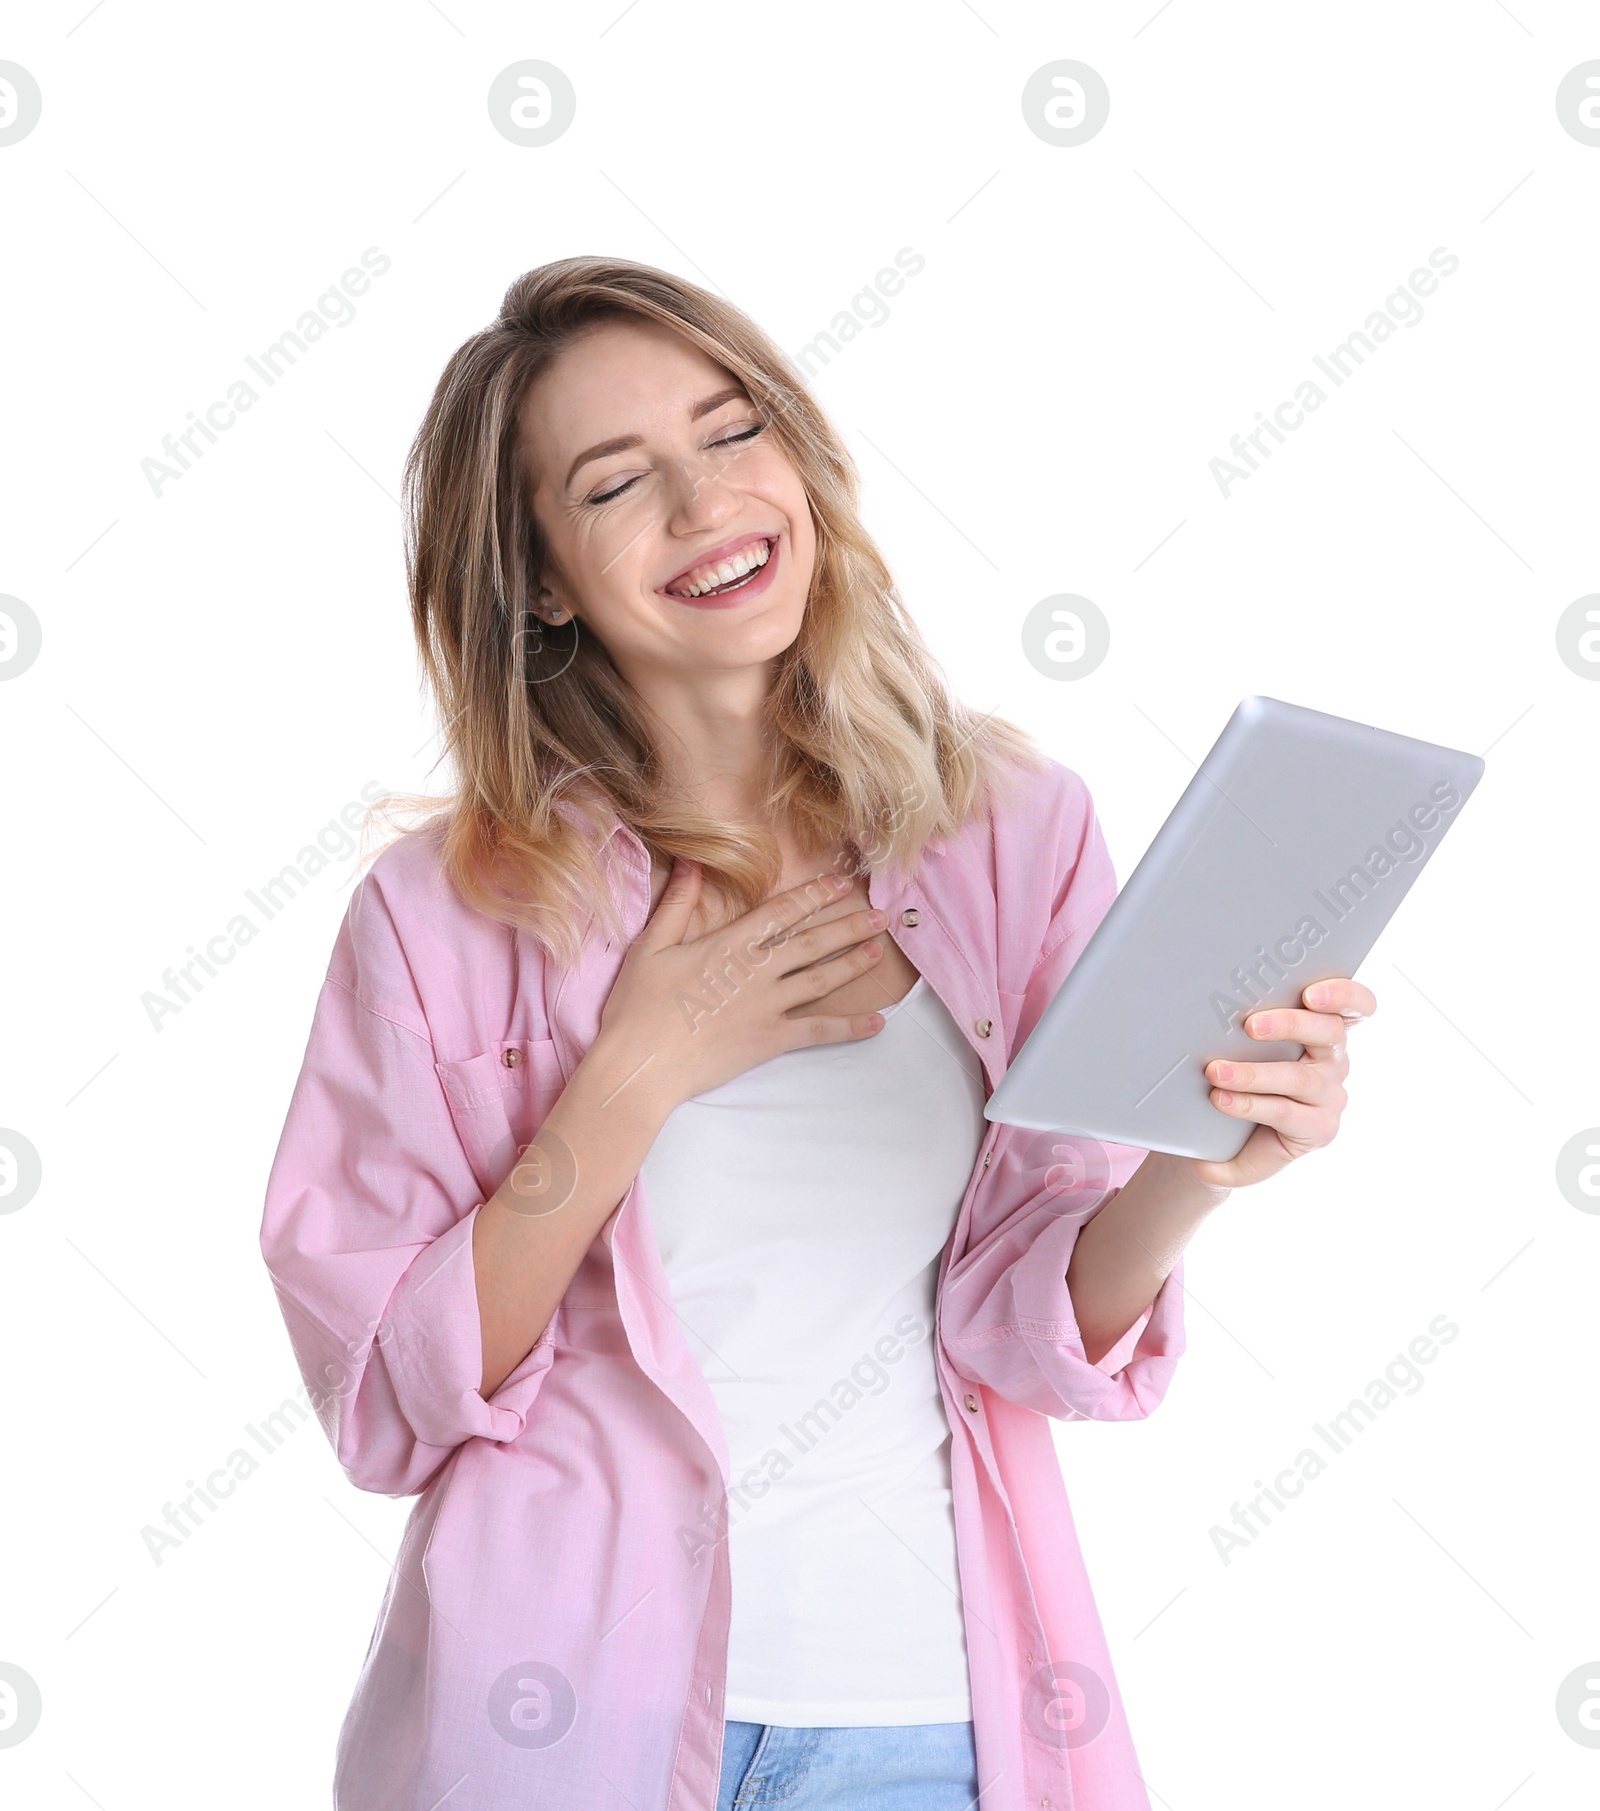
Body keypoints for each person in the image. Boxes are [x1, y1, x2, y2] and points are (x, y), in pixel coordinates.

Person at [259, 256, 1373, 1811]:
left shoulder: (1012, 833)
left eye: (731, 434)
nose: (707, 506)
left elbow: (1020, 1321)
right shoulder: (443, 911)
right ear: (538, 578)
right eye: (615, 483)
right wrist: (637, 1070)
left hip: (934, 1716)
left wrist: (1206, 1165)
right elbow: (385, 1397)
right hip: (558, 1728)